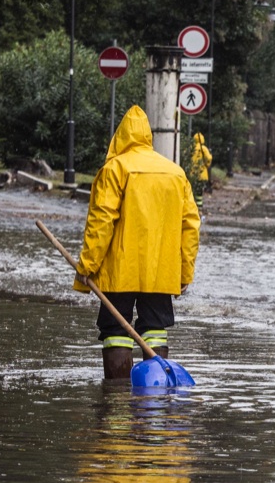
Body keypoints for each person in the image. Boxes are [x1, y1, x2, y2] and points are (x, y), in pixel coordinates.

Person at [73, 105, 201, 380]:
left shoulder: (115, 169)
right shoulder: (175, 173)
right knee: (155, 327)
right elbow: (190, 226)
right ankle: (154, 389)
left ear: (120, 136)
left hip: (120, 270)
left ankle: (117, 397)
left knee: (115, 332)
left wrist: (87, 265)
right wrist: (184, 271)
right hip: (160, 270)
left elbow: (102, 220)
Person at [189, 131, 213, 214]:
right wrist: (207, 164)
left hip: (192, 174)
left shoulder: (191, 148)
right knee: (199, 193)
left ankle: (193, 207)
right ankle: (199, 208)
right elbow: (208, 158)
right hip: (202, 174)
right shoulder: (204, 149)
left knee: (192, 191)